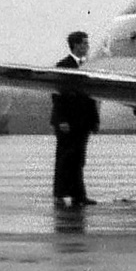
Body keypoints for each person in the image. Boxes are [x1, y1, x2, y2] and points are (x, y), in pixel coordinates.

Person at [49, 31, 100, 208]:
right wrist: (61, 120)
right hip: (67, 123)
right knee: (64, 159)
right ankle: (60, 194)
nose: (87, 47)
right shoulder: (64, 65)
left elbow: (91, 96)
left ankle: (79, 195)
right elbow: (57, 96)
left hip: (82, 122)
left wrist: (94, 120)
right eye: (85, 44)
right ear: (76, 45)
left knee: (79, 159)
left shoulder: (88, 66)